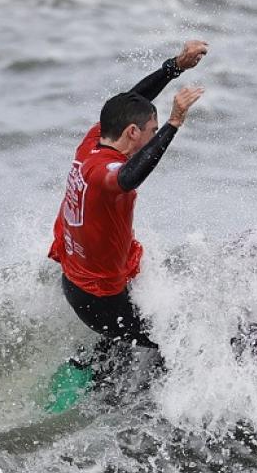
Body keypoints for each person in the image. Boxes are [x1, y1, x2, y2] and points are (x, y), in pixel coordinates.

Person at [48, 40, 208, 372]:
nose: (153, 134)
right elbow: (127, 179)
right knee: (179, 340)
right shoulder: (104, 174)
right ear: (133, 133)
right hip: (100, 301)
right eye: (150, 131)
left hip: (83, 280)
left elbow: (130, 102)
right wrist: (174, 122)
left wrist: (174, 67)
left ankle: (100, 362)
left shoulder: (95, 139)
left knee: (139, 326)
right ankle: (159, 404)